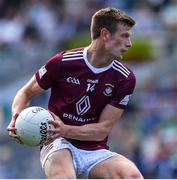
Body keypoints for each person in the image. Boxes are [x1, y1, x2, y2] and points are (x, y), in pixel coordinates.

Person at [7, 7, 144, 179]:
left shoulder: (125, 78)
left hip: (93, 150)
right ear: (105, 34)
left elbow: (102, 130)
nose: (129, 43)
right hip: (57, 143)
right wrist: (16, 117)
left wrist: (65, 129)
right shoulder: (63, 62)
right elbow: (25, 92)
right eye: (124, 36)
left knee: (132, 176)